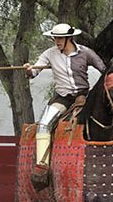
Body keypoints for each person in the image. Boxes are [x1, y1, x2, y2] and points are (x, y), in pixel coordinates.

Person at [24, 23, 105, 190]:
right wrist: (28, 69)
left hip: (84, 97)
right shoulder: (49, 54)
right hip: (63, 99)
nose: (56, 41)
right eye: (55, 38)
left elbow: (105, 70)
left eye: (59, 38)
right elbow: (34, 73)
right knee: (44, 125)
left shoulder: (86, 52)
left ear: (69, 38)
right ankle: (42, 166)